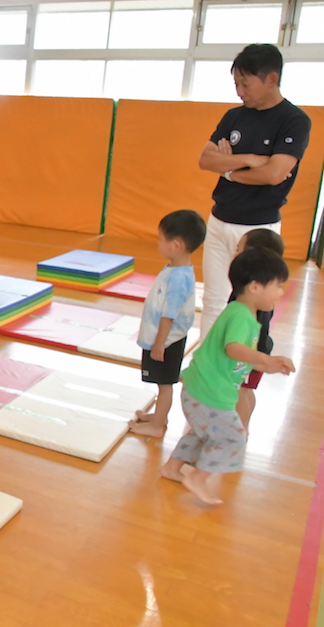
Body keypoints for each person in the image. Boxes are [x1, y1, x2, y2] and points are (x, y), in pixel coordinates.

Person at [160, 247, 295, 505]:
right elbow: (233, 348)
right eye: (278, 285)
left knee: (201, 433)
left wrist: (268, 365)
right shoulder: (241, 316)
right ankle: (198, 478)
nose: (280, 292)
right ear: (255, 287)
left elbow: (240, 357)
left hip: (202, 388)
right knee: (233, 436)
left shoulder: (242, 313)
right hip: (209, 392)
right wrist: (265, 359)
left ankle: (172, 468)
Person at [197, 43, 311, 338]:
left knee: (252, 303)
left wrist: (228, 169)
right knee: (213, 298)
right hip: (220, 219)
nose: (239, 91)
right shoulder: (234, 116)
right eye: (235, 83)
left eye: (244, 84)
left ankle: (244, 368)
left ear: (271, 80)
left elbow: (274, 174)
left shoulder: (294, 120)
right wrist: (246, 161)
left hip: (258, 227)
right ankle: (210, 359)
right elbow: (205, 159)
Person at [130, 210, 207, 438]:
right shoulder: (178, 270)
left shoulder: (178, 278)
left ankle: (157, 426)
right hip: (166, 338)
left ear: (175, 245)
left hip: (166, 340)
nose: (158, 243)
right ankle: (158, 416)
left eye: (161, 239)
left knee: (164, 384)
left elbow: (168, 315)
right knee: (161, 382)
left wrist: (159, 344)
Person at [229, 228, 285, 431]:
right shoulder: (257, 292)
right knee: (246, 392)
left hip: (251, 354)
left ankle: (239, 433)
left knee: (241, 393)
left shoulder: (253, 297)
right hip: (256, 352)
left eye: (239, 250)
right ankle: (243, 431)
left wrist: (255, 359)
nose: (235, 254)